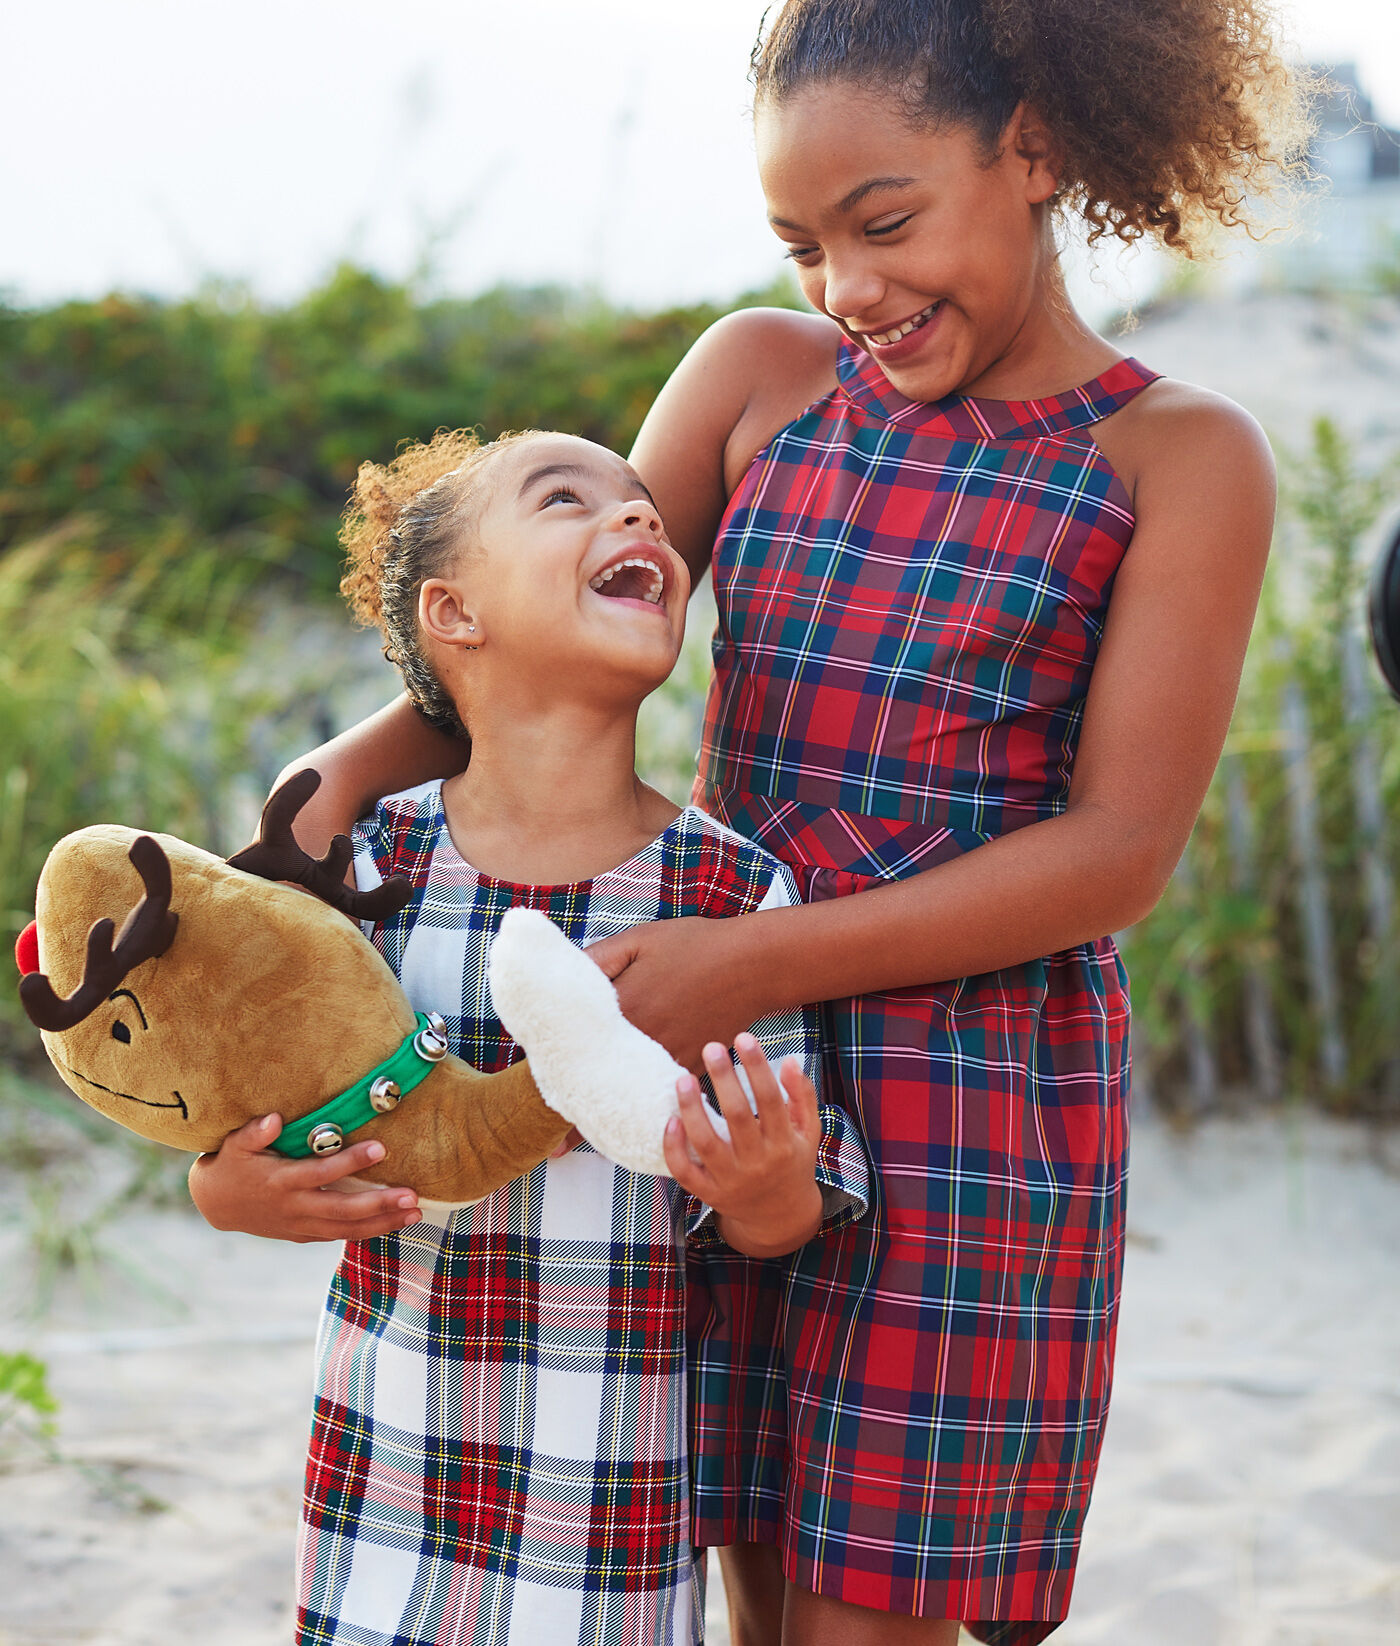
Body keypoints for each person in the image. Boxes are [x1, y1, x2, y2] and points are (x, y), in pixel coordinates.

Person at [258, 3, 1310, 1640]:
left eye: (884, 223)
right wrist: (359, 758)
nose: (847, 288)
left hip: (971, 1106)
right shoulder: (762, 377)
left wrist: (750, 960)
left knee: (865, 1612)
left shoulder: (1177, 456)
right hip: (718, 1096)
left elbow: (1118, 853)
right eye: (804, 242)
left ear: (1035, 148)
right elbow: (556, 628)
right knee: (745, 1567)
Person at [189, 426, 870, 1646]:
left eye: (648, 510)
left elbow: (782, 1217)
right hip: (382, 1486)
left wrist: (769, 1191)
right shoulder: (368, 870)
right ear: (454, 612)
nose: (640, 523)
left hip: (601, 1499)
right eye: (569, 499)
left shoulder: (728, 900)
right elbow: (239, 1118)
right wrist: (226, 1191)